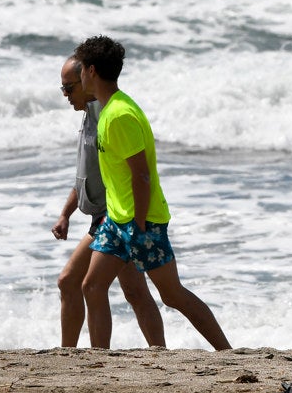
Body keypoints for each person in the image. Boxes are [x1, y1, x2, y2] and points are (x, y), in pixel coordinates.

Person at [73, 35, 232, 350]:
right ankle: (98, 361)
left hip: (140, 220)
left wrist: (141, 223)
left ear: (91, 71)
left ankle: (227, 352)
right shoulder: (107, 110)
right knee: (92, 286)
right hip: (117, 220)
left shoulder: (119, 115)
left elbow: (142, 174)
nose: (78, 77)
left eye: (80, 70)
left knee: (172, 295)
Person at [51, 56, 166, 348]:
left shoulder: (109, 113)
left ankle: (83, 356)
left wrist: (136, 222)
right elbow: (87, 175)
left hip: (113, 217)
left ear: (88, 80)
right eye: (62, 89)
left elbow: (135, 173)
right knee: (133, 291)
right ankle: (158, 352)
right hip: (106, 217)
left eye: (69, 88)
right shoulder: (90, 115)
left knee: (78, 282)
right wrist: (66, 213)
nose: (65, 95)